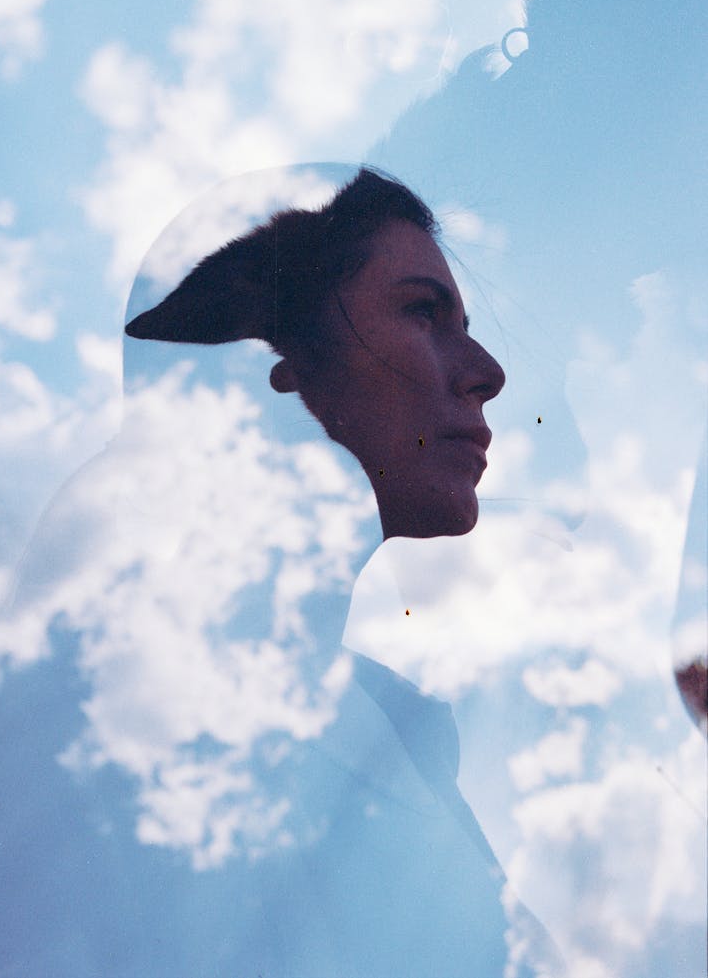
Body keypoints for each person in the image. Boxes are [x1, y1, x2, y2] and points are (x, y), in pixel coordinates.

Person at [126, 167, 565, 976]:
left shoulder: (401, 729)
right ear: (277, 359)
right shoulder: (129, 704)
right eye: (423, 312)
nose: (486, 372)